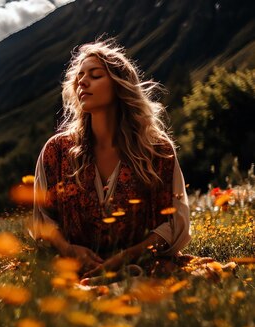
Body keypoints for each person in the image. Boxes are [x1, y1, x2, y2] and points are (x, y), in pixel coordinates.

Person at [32, 39, 191, 285]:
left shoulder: (157, 151)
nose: (82, 82)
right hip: (73, 271)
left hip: (140, 267)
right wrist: (68, 249)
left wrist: (127, 256)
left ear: (120, 86)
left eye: (95, 75)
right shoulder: (57, 151)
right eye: (79, 78)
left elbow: (171, 224)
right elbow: (44, 218)